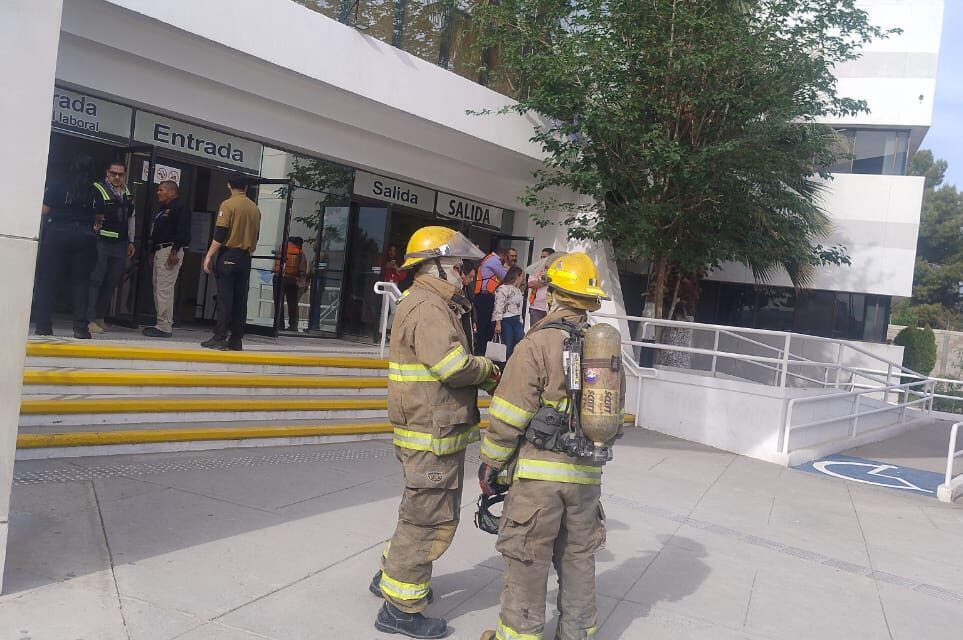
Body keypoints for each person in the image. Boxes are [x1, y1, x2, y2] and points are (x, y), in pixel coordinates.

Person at [478, 251, 622, 640]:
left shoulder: (537, 344)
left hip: (539, 479)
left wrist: (490, 463)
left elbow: (509, 414)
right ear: (591, 301)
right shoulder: (602, 349)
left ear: (555, 294)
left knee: (527, 559)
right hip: (586, 477)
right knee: (578, 560)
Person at [369, 226, 500, 639]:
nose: (464, 275)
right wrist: (492, 370)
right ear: (437, 265)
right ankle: (401, 609)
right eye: (459, 267)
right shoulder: (428, 307)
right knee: (426, 520)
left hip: (431, 431)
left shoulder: (431, 302)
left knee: (418, 511)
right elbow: (452, 366)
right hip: (431, 435)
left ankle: (389, 576)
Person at [34, 155, 100, 339]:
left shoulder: (57, 185)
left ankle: (43, 326)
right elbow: (99, 215)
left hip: (58, 233)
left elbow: (44, 210)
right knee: (81, 283)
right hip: (84, 236)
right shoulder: (94, 191)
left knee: (48, 280)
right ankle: (80, 328)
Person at [201, 173, 262, 351]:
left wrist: (209, 255)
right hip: (245, 257)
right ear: (246, 187)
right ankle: (236, 339)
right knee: (240, 299)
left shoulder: (228, 205)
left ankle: (220, 336)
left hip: (229, 255)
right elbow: (256, 235)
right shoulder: (254, 208)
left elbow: (220, 233)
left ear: (229, 185)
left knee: (225, 298)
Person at [87, 161, 135, 334]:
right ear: (107, 172)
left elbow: (131, 218)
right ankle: (89, 319)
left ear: (125, 175)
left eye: (120, 174)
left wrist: (131, 241)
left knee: (111, 281)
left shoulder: (128, 192)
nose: (117, 177)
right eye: (113, 173)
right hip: (101, 241)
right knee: (96, 279)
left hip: (120, 243)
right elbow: (90, 213)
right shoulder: (97, 188)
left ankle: (100, 317)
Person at [142, 180, 192, 338]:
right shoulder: (163, 209)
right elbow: (158, 232)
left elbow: (182, 230)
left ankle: (164, 326)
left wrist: (175, 251)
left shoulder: (180, 207)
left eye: (161, 190)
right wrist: (152, 251)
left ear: (171, 192)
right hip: (160, 250)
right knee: (158, 288)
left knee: (164, 290)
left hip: (170, 250)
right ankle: (161, 322)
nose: (158, 192)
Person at [473, 243, 508, 355]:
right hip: (485, 297)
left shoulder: (488, 259)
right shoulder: (494, 261)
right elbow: (505, 276)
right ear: (503, 255)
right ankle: (481, 352)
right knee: (484, 326)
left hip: (482, 296)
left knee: (483, 325)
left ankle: (480, 350)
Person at [273, 236, 306, 331]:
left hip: (278, 277)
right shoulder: (300, 252)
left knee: (278, 302)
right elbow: (302, 268)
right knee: (292, 303)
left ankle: (280, 325)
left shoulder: (280, 248)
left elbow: (275, 262)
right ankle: (292, 325)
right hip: (292, 280)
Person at [492, 265, 525, 361]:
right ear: (517, 276)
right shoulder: (503, 288)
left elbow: (520, 307)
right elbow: (498, 305)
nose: (523, 278)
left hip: (516, 318)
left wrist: (521, 320)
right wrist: (498, 323)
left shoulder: (518, 290)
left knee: (519, 341)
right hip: (505, 319)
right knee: (507, 346)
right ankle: (503, 368)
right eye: (522, 276)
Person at [527, 247, 555, 326]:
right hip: (536, 308)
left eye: (544, 257)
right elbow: (530, 284)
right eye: (541, 257)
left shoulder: (557, 271)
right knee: (534, 333)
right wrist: (546, 281)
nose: (542, 259)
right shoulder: (536, 269)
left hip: (551, 308)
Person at [460, 259, 478, 354]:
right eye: (470, 277)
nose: (471, 280)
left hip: (468, 321)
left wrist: (474, 320)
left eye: (473, 277)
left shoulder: (468, 289)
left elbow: (472, 305)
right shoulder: (457, 289)